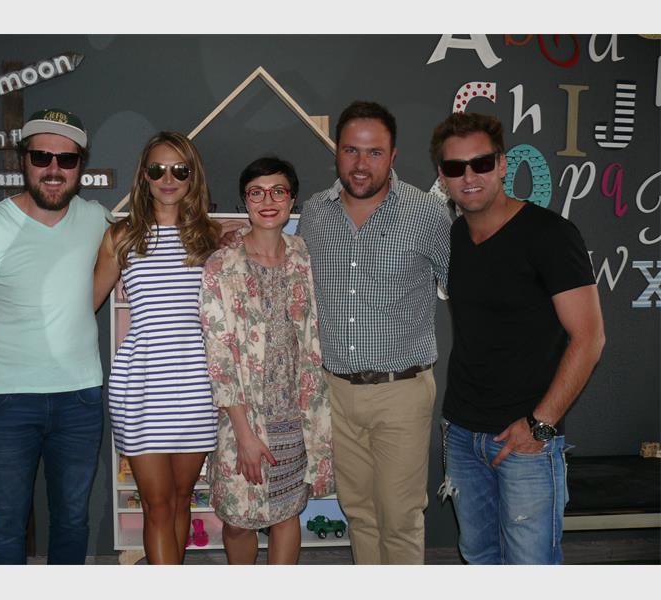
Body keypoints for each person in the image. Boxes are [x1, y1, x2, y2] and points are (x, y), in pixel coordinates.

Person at [430, 112, 605, 564]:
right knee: (479, 557)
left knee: (530, 566)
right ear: (443, 177)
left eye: (481, 163)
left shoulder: (550, 235)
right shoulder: (455, 236)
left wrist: (541, 424)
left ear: (503, 164)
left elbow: (589, 338)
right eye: (455, 168)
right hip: (462, 433)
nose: (469, 177)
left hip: (526, 439)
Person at [0, 108, 112, 564]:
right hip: (6, 401)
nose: (54, 169)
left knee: (73, 520)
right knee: (5, 523)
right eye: (42, 157)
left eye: (66, 159)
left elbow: (151, 238)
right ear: (25, 160)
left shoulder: (97, 219)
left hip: (79, 399)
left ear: (80, 165)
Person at [296, 100, 451, 564]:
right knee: (359, 513)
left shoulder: (426, 214)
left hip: (400, 392)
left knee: (400, 518)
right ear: (337, 153)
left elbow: (464, 287)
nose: (361, 164)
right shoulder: (315, 213)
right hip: (336, 393)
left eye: (374, 152)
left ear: (393, 155)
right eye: (351, 151)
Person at [93, 131, 221, 564]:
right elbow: (85, 304)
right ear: (144, 176)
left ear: (192, 176)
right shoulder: (122, 237)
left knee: (183, 499)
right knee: (157, 504)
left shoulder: (211, 238)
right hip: (141, 385)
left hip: (197, 385)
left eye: (179, 170)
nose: (168, 179)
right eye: (158, 169)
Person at [201, 156, 334, 565]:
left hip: (295, 414)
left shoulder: (305, 256)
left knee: (287, 512)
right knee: (238, 519)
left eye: (278, 191)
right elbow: (219, 356)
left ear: (292, 200)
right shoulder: (222, 265)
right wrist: (244, 434)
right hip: (243, 417)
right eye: (256, 193)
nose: (268, 201)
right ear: (245, 202)